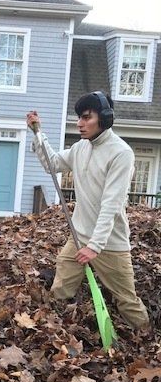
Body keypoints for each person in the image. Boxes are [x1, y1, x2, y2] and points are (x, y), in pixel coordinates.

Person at [26, 91, 149, 330]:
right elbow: (52, 165)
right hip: (79, 235)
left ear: (104, 118)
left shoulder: (121, 153)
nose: (79, 124)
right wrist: (37, 133)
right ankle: (51, 331)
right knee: (61, 287)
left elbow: (111, 204)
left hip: (110, 243)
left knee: (126, 300)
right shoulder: (81, 147)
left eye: (85, 118)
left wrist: (95, 245)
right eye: (78, 118)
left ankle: (148, 340)